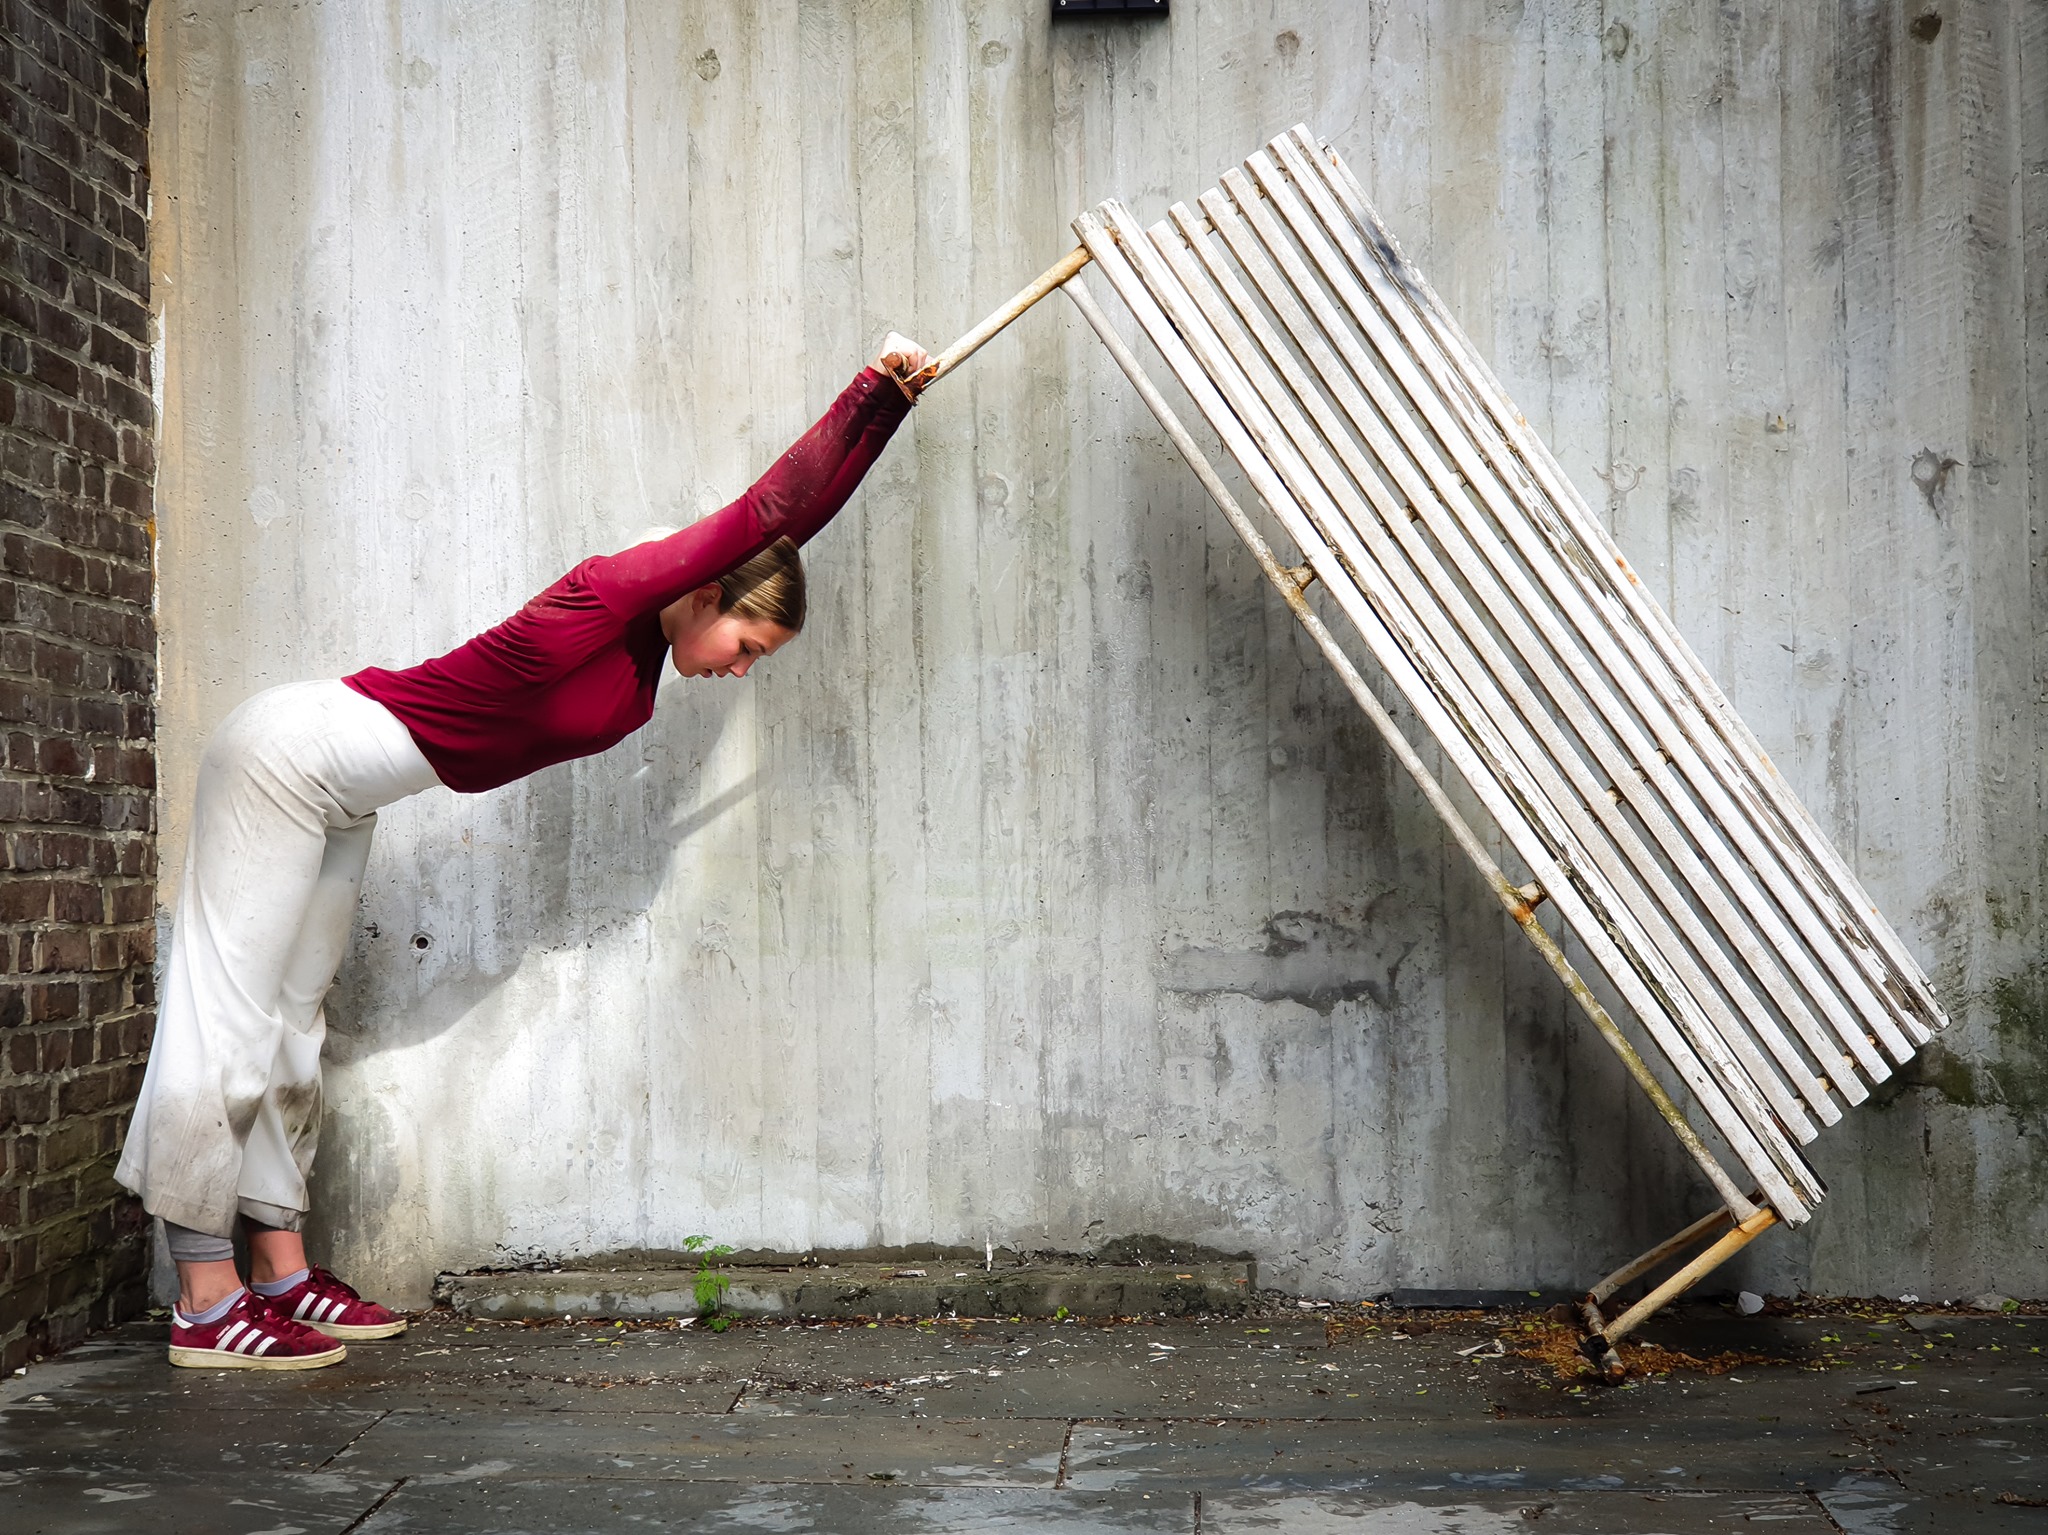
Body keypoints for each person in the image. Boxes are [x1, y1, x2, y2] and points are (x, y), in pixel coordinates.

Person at [116, 334, 934, 1369]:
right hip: (284, 758)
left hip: (344, 792)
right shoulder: (609, 595)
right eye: (746, 648)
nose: (738, 672)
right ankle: (203, 1297)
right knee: (227, 1010)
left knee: (291, 1023)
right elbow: (772, 511)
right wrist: (876, 390)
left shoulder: (643, 659)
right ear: (706, 594)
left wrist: (888, 414)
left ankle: (279, 1270)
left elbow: (785, 530)